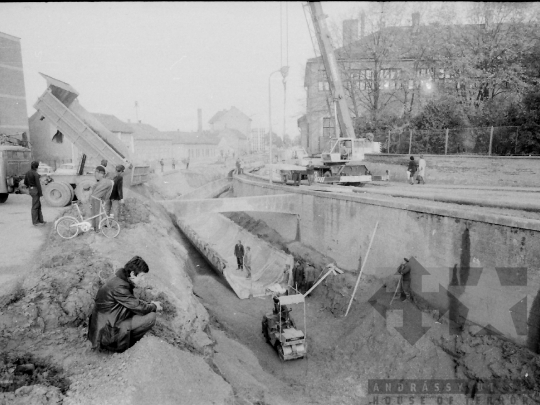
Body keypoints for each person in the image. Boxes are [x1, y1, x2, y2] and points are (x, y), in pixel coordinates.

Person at [88, 256, 162, 353]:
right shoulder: (120, 288)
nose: (143, 279)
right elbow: (139, 307)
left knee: (139, 312)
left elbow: (133, 302)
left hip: (103, 327)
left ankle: (122, 340)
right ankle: (122, 348)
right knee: (151, 317)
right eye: (142, 276)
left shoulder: (117, 279)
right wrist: (154, 306)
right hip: (107, 335)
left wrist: (149, 304)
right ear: (132, 274)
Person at [89, 166, 114, 232]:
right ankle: (95, 228)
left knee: (97, 214)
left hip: (97, 199)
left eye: (96, 173)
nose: (95, 175)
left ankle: (96, 229)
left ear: (101, 173)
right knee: (96, 214)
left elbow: (98, 193)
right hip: (96, 199)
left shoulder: (105, 182)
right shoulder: (102, 181)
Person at [24, 161, 46, 226]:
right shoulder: (35, 174)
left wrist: (30, 186)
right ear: (37, 167)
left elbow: (25, 182)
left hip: (31, 189)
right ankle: (36, 222)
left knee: (38, 205)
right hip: (36, 190)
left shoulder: (28, 172)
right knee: (35, 206)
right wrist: (41, 193)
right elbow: (38, 184)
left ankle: (41, 221)